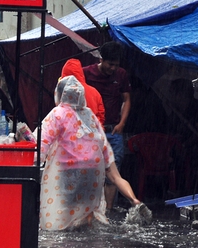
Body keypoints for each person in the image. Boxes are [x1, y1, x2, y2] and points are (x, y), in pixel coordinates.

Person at [38, 76, 141, 231]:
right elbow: (101, 144)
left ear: (59, 95)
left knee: (64, 219)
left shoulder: (57, 113)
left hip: (68, 171)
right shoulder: (90, 116)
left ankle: (67, 238)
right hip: (94, 169)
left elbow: (41, 144)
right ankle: (135, 201)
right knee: (114, 178)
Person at [83, 42, 132, 211]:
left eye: (116, 65)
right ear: (102, 60)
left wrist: (122, 123)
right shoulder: (86, 73)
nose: (113, 68)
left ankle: (109, 211)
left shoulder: (121, 75)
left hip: (113, 130)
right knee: (89, 169)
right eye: (110, 64)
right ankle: (90, 209)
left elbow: (126, 99)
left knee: (113, 171)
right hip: (90, 131)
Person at [60, 58, 105, 126]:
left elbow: (59, 115)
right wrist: (93, 129)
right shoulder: (94, 92)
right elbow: (101, 115)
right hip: (92, 133)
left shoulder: (62, 91)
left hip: (69, 133)